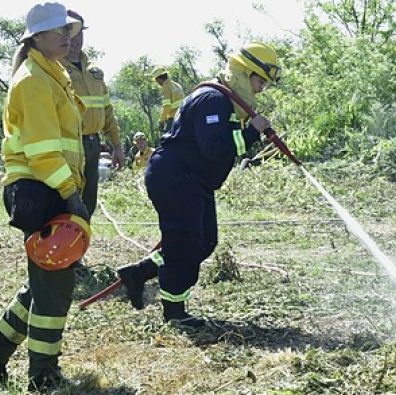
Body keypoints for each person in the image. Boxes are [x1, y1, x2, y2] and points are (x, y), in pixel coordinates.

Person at [0, 2, 90, 391]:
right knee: (54, 294)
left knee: (44, 281)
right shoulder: (35, 79)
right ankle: (42, 376)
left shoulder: (51, 73)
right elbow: (41, 150)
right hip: (43, 189)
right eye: (59, 33)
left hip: (49, 186)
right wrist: (71, 195)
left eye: (69, 32)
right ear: (36, 38)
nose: (67, 39)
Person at [117, 43, 280, 328]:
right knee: (185, 246)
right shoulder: (212, 101)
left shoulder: (224, 102)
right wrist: (252, 133)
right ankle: (174, 313)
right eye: (259, 80)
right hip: (177, 179)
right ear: (244, 72)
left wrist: (249, 131)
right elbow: (214, 149)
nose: (261, 88)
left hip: (193, 181)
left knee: (203, 242)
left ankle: (139, 273)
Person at [60, 9, 124, 218]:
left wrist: (116, 146)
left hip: (92, 144)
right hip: (67, 145)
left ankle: (80, 244)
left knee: (89, 200)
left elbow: (106, 110)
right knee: (66, 200)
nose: (76, 39)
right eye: (71, 33)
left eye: (80, 33)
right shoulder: (54, 68)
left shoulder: (94, 70)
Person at [152, 66, 184, 133]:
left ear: (159, 78)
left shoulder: (165, 87)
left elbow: (167, 106)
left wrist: (162, 120)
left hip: (173, 119)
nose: (157, 82)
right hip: (183, 117)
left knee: (168, 141)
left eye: (156, 80)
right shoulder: (177, 85)